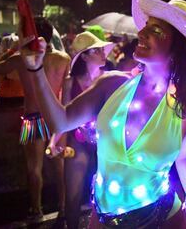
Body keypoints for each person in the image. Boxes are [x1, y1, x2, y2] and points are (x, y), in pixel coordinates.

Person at [18, 0, 186, 228]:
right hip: (103, 219)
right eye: (146, 26)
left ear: (178, 48)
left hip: (161, 219)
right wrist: (36, 70)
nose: (141, 33)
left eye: (157, 30)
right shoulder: (111, 85)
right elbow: (61, 121)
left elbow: (185, 156)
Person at [0, 17, 71, 219]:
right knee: (60, 165)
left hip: (33, 116)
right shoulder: (64, 58)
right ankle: (63, 207)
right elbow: (66, 92)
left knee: (34, 168)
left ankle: (36, 210)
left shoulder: (21, 58)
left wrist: (16, 47)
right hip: (57, 116)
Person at [48, 31, 115, 229]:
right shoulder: (70, 82)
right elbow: (65, 116)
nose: (103, 53)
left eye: (103, 49)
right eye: (97, 50)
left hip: (107, 141)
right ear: (84, 56)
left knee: (106, 193)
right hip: (79, 141)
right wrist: (53, 141)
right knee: (73, 194)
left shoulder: (111, 78)